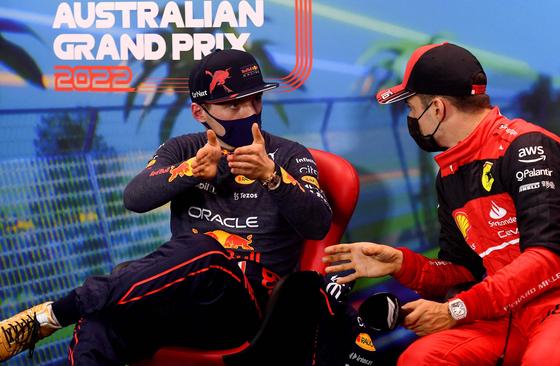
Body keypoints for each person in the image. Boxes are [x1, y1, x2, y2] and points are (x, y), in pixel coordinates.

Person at [0, 49, 333, 365]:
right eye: (233, 105)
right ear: (200, 111)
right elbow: (135, 198)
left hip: (249, 309)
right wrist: (188, 171)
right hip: (180, 301)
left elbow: (318, 224)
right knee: (100, 324)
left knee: (206, 252)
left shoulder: (290, 155)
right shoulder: (183, 149)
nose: (249, 112)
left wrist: (272, 176)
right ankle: (65, 314)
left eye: (256, 100)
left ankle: (55, 313)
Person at [323, 42, 560, 365]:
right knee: (420, 359)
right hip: (506, 315)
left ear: (437, 109)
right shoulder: (450, 175)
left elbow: (547, 260)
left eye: (411, 108)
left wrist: (457, 310)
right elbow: (463, 270)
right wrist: (400, 263)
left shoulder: (528, 148)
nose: (411, 118)